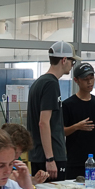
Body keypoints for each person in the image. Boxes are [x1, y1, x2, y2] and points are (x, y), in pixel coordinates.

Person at [26, 41, 77, 181]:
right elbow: (43, 123)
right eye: (72, 61)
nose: (72, 65)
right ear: (64, 60)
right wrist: (50, 159)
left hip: (38, 155)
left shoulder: (39, 83)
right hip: (49, 157)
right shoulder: (51, 84)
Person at [62, 61, 95, 180]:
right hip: (75, 160)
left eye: (91, 78)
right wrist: (77, 127)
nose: (90, 82)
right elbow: (61, 131)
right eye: (85, 79)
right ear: (76, 80)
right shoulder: (68, 104)